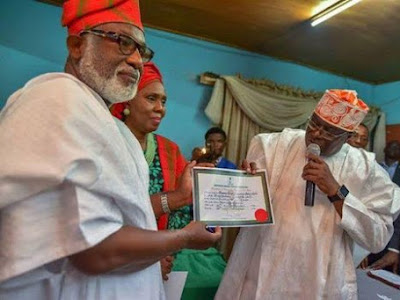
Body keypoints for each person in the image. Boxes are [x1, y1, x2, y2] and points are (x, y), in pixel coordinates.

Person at [0, 1, 222, 299]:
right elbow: (93, 249)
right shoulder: (58, 98)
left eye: (141, 51)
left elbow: (127, 217)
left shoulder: (112, 127)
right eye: (122, 43)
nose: (136, 61)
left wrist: (180, 199)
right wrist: (182, 238)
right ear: (77, 45)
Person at [215, 89, 400, 299]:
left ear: (348, 136)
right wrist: (244, 184)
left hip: (322, 281)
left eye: (329, 131)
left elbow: (377, 238)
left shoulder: (366, 170)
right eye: (314, 123)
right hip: (262, 271)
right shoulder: (273, 145)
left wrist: (335, 191)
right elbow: (244, 209)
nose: (316, 133)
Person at [111, 62, 228, 299]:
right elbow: (111, 212)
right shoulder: (109, 144)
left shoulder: (169, 150)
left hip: (162, 258)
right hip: (113, 259)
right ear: (127, 102)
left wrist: (239, 183)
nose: (160, 108)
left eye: (163, 101)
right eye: (151, 98)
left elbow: (182, 211)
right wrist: (150, 255)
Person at [360, 140, 400, 273]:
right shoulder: (370, 166)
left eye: (398, 147)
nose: (394, 148)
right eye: (391, 145)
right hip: (362, 234)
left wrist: (394, 249)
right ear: (384, 148)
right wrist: (359, 251)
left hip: (390, 243)